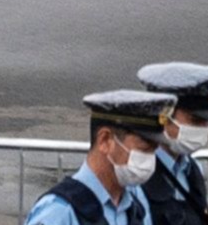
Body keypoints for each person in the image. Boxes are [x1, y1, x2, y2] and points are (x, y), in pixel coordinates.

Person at [34, 90, 174, 225]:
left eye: (153, 151)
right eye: (143, 149)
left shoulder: (135, 207)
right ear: (105, 140)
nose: (150, 160)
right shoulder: (59, 213)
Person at [130, 65, 208, 225]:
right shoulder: (135, 175)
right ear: (164, 115)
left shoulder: (192, 168)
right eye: (195, 121)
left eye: (207, 121)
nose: (203, 128)